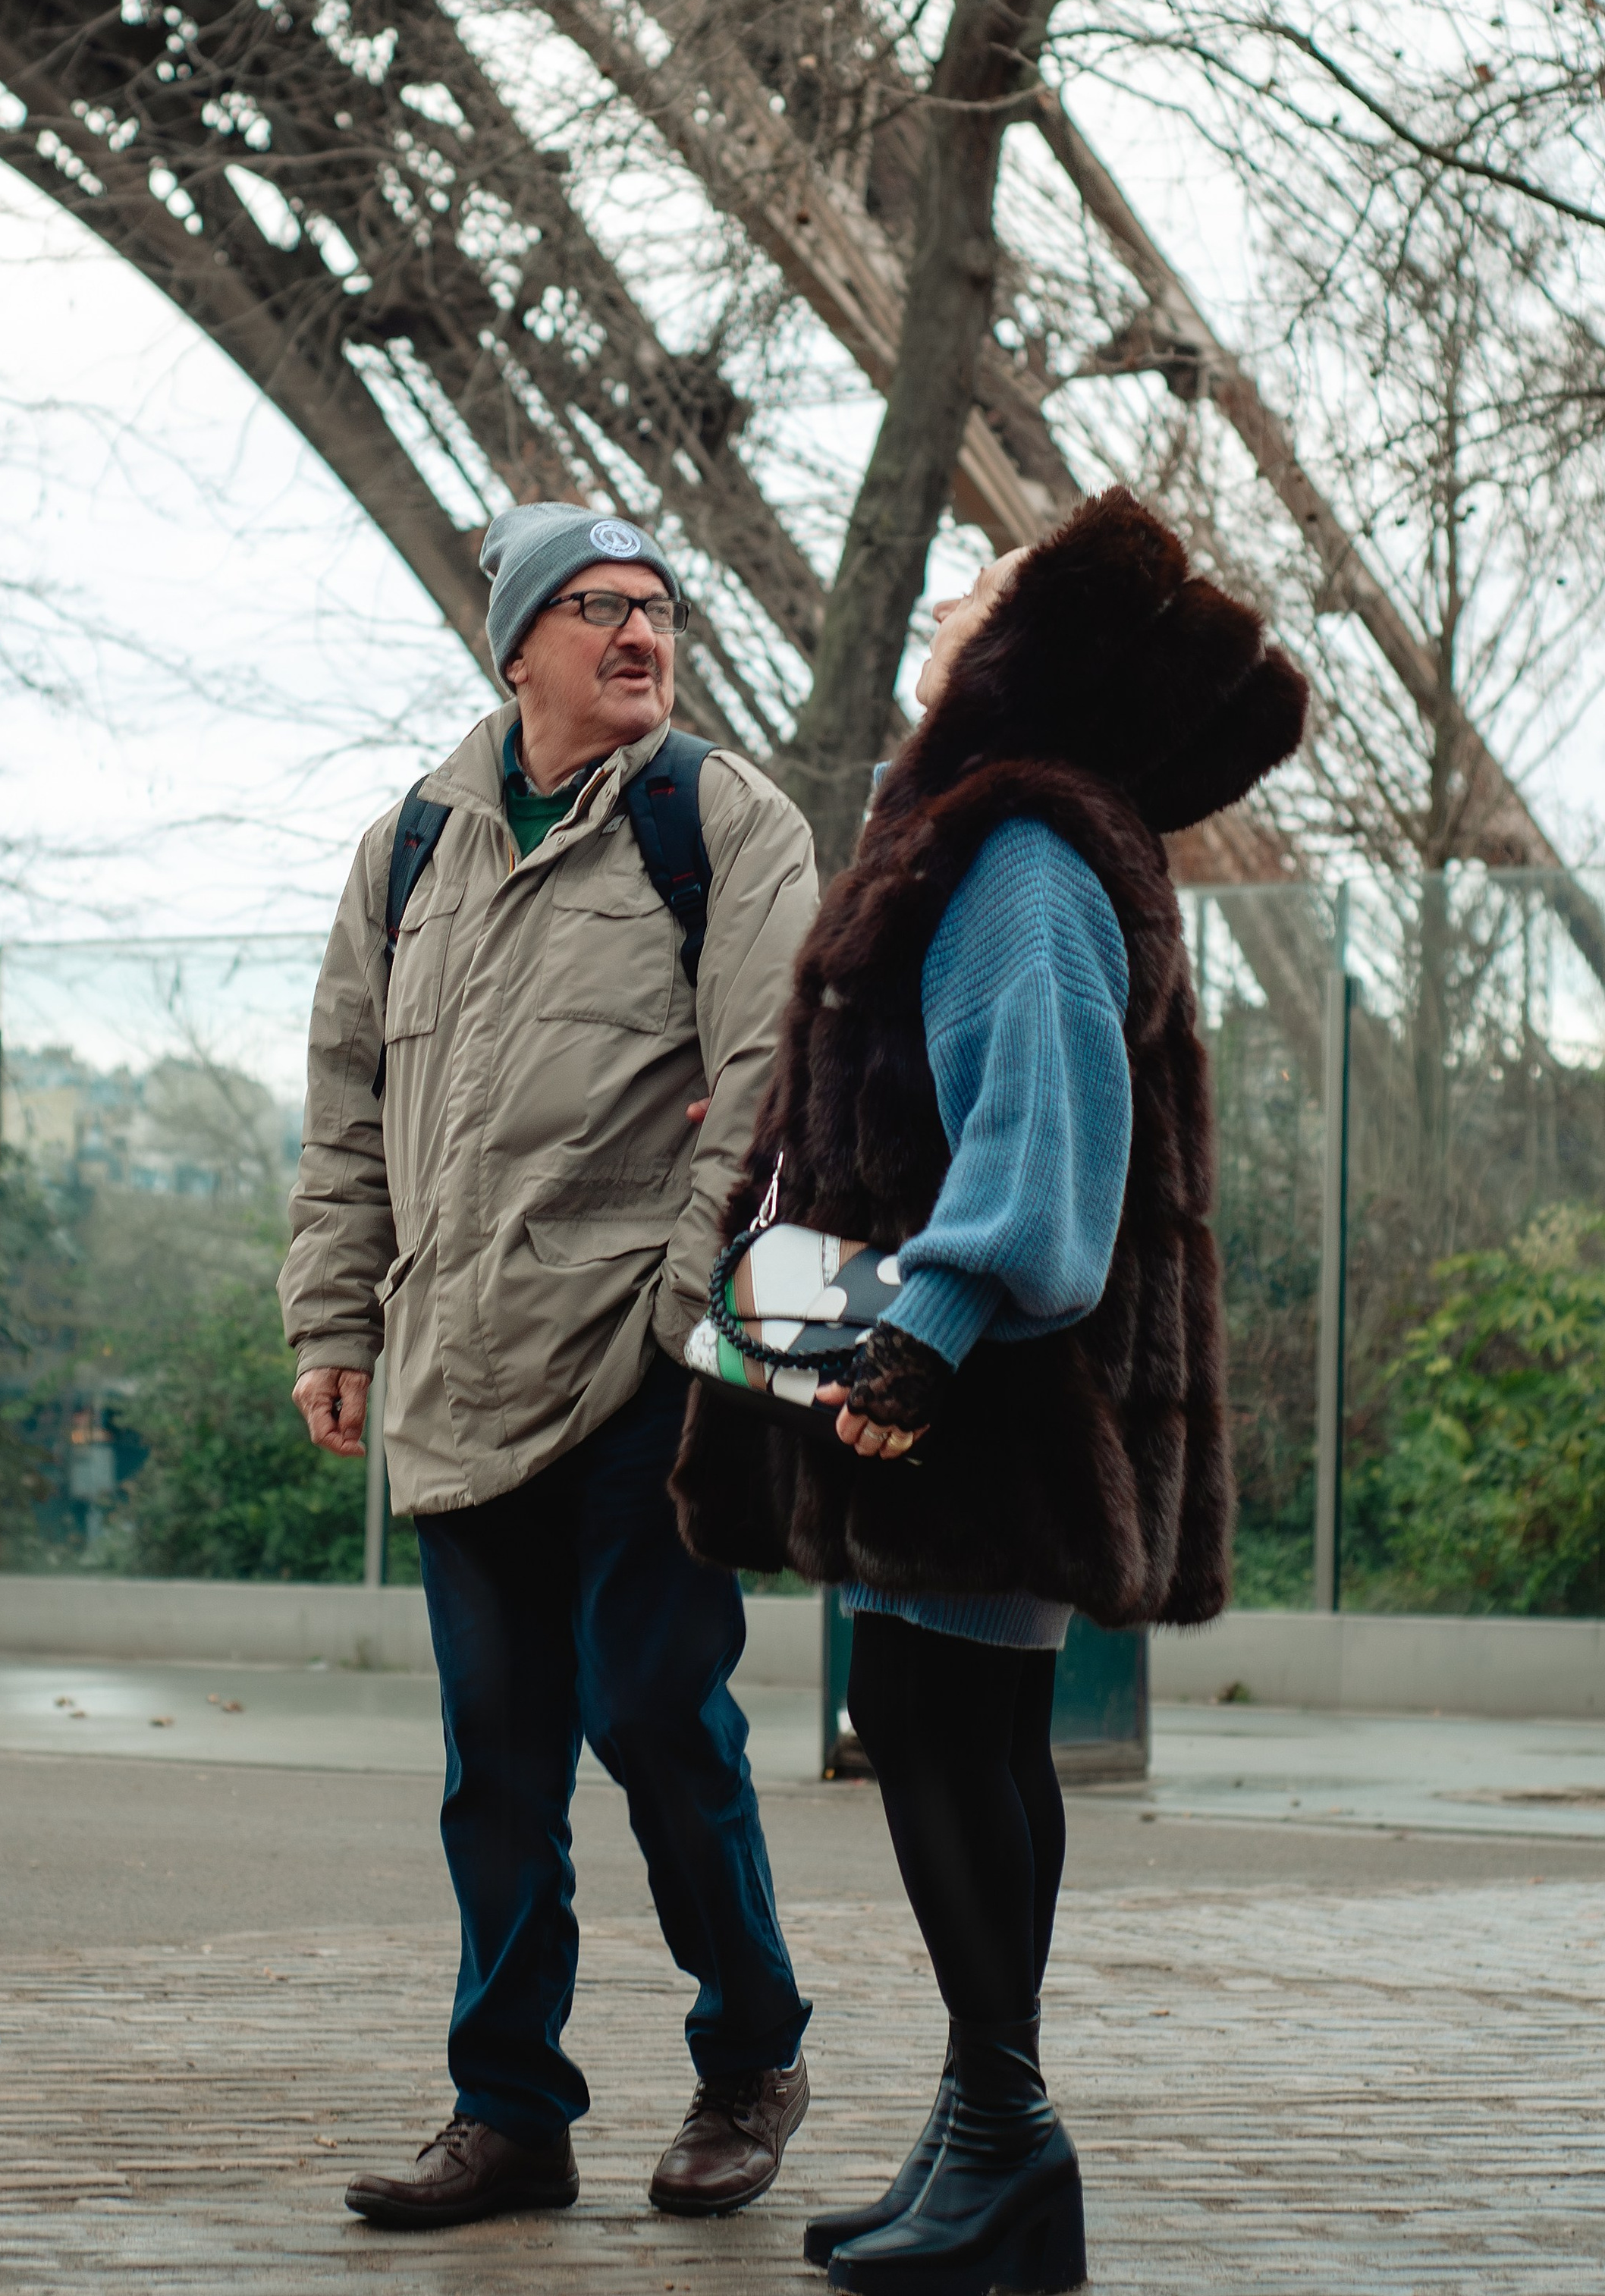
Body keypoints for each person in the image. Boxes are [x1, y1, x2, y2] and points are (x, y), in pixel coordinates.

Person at [672, 488, 1308, 2296]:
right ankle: (982, 2133)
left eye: (986, 585)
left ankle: (1009, 2135)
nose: (951, 597)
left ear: (1028, 646)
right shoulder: (1014, 827)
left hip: (975, 1384)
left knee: (938, 1721)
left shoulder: (1015, 844)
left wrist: (921, 1330)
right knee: (957, 1723)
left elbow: (1038, 1142)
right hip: (980, 1377)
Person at [281, 501, 818, 2232]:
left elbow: (770, 1086)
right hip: (456, 1365)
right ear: (515, 648)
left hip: (643, 1366)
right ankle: (509, 2112)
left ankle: (751, 2055)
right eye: (599, 606)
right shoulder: (404, 852)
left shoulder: (723, 823)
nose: (641, 632)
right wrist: (334, 1318)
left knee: (655, 1713)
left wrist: (681, 1315)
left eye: (660, 605)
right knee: (496, 1765)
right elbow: (346, 1112)